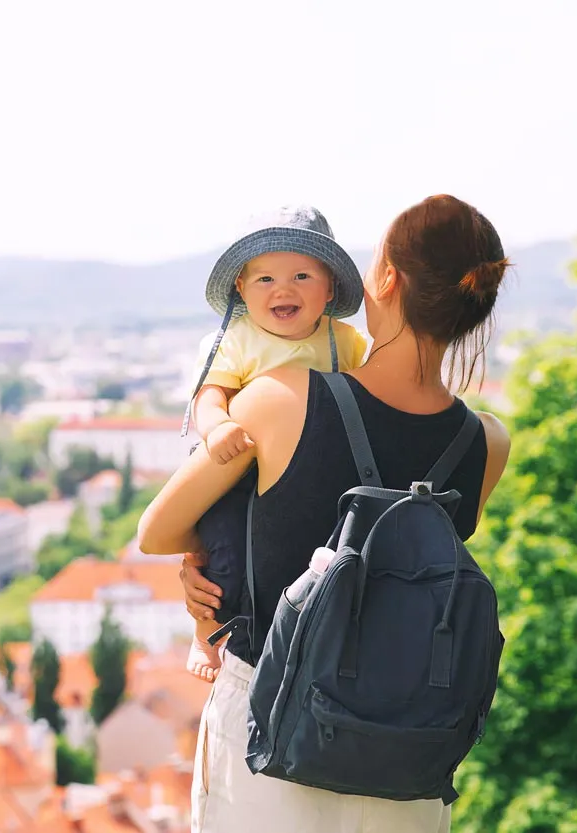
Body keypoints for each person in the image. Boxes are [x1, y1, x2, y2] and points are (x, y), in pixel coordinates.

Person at [138, 194, 513, 833]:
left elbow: (155, 532)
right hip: (406, 756)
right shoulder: (485, 442)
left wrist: (207, 561)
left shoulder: (281, 397)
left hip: (272, 731)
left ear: (386, 280)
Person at [182, 206, 368, 682]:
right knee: (222, 548)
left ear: (328, 289)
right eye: (264, 279)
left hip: (305, 472)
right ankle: (208, 631)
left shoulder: (342, 342)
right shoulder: (235, 339)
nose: (283, 290)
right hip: (235, 467)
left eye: (302, 275)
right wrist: (218, 426)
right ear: (241, 289)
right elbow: (209, 395)